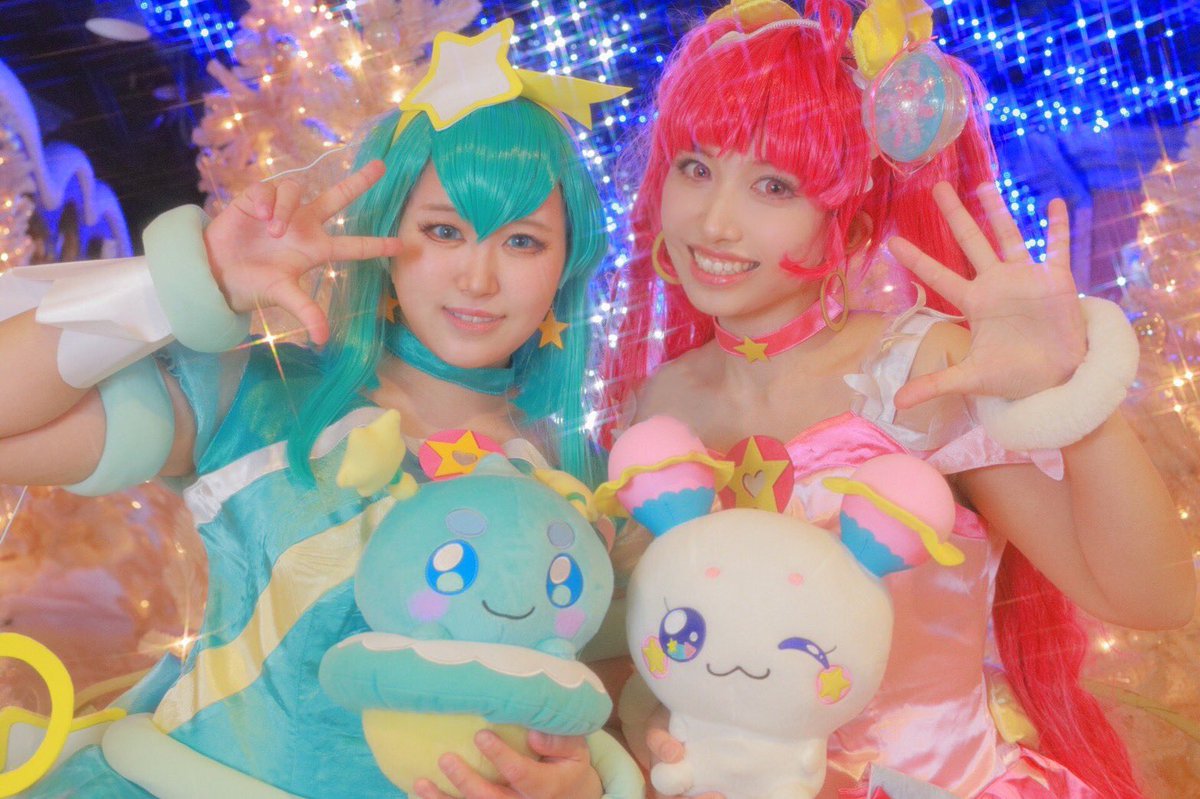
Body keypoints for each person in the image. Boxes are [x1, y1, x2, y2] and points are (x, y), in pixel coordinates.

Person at [0, 19, 631, 799]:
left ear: (568, 260)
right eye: (443, 230)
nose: (477, 278)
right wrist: (187, 284)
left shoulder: (578, 480)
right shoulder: (267, 398)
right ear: (388, 231)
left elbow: (597, 710)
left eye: (523, 241)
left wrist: (583, 782)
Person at [597, 1, 1196, 797]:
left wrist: (1067, 390)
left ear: (850, 228)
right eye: (696, 167)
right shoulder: (662, 400)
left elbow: (1152, 596)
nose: (714, 221)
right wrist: (653, 723)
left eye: (774, 185)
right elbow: (654, 655)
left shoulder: (923, 370)